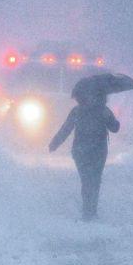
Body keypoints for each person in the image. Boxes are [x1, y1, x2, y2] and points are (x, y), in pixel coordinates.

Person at [49, 89, 120, 219]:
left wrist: (55, 143)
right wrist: (111, 119)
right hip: (98, 151)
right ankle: (91, 210)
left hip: (81, 151)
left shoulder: (77, 111)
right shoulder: (103, 111)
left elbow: (66, 129)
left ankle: (88, 210)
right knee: (95, 180)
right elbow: (115, 128)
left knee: (86, 180)